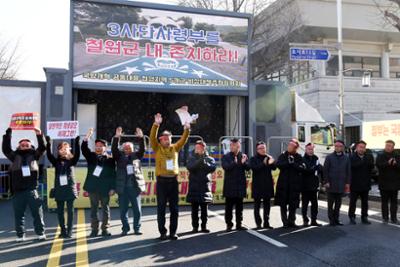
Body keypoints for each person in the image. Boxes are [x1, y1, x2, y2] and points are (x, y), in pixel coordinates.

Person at [150, 113, 190, 240]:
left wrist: (187, 129)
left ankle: (173, 232)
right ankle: (162, 232)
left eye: (169, 138)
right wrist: (156, 125)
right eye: (165, 138)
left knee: (174, 209)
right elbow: (152, 138)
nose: (168, 140)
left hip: (173, 181)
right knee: (161, 208)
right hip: (161, 182)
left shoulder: (175, 148)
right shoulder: (157, 148)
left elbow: (183, 139)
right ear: (161, 140)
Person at [2, 127, 46, 242]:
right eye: (22, 143)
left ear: (31, 146)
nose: (25, 144)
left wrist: (39, 134)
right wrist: (8, 134)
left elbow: (42, 147)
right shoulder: (14, 156)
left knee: (37, 213)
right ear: (18, 146)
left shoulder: (35, 155)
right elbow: (6, 149)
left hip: (32, 190)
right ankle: (20, 235)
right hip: (18, 191)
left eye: (27, 143)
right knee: (19, 215)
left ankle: (40, 233)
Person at [81, 128, 116, 237]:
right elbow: (84, 149)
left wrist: (112, 188)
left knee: (105, 209)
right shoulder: (91, 156)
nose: (98, 147)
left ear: (105, 147)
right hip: (93, 188)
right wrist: (87, 137)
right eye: (97, 146)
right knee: (93, 209)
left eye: (101, 146)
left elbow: (113, 175)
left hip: (105, 188)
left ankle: (105, 229)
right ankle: (94, 230)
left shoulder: (110, 160)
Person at [112, 127, 145, 236]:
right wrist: (117, 137)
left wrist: (141, 138)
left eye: (129, 147)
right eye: (125, 147)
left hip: (134, 187)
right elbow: (114, 150)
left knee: (137, 210)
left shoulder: (137, 156)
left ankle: (137, 228)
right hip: (122, 188)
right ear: (123, 148)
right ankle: (125, 229)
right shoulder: (119, 157)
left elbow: (142, 149)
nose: (127, 149)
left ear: (132, 148)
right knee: (123, 211)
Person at [46, 135, 80, 238]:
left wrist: (77, 143)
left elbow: (77, 155)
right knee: (60, 212)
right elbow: (49, 155)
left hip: (69, 188)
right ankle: (63, 231)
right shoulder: (56, 161)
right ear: (59, 151)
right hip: (59, 188)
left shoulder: (72, 161)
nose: (64, 150)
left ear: (69, 150)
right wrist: (49, 143)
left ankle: (69, 231)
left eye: (66, 148)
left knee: (70, 211)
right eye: (61, 148)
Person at [186, 140, 216, 233]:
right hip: (194, 186)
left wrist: (204, 161)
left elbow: (212, 168)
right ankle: (195, 227)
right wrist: (200, 160)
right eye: (196, 147)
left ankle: (204, 226)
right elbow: (191, 167)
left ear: (203, 148)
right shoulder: (191, 158)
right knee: (194, 209)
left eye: (199, 148)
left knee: (204, 209)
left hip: (205, 187)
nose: (196, 149)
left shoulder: (210, 158)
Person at [222, 138, 250, 232]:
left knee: (239, 207)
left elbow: (248, 168)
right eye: (231, 145)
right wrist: (235, 162)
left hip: (240, 185)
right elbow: (226, 167)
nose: (232, 147)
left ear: (238, 146)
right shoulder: (226, 156)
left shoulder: (243, 156)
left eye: (234, 145)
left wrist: (244, 162)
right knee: (229, 207)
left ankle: (239, 224)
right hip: (230, 185)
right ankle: (229, 225)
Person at [275, 139, 305, 228]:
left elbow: (302, 167)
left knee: (293, 204)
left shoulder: (299, 157)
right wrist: (288, 163)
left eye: (291, 146)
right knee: (283, 204)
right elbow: (278, 165)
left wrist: (293, 164)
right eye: (289, 145)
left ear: (295, 148)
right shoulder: (283, 155)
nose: (289, 147)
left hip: (294, 184)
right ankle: (285, 222)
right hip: (283, 184)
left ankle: (292, 221)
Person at [323, 140, 351, 226]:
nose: (338, 147)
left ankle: (336, 219)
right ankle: (331, 220)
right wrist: (326, 181)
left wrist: (347, 183)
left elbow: (348, 171)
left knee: (338, 205)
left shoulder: (346, 157)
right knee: (330, 204)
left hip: (341, 184)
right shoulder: (329, 157)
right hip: (331, 184)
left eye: (340, 146)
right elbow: (325, 170)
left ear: (343, 147)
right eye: (336, 146)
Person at [249, 141, 276, 230]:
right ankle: (258, 223)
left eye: (264, 148)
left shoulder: (268, 157)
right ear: (257, 149)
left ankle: (266, 222)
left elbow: (274, 168)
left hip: (267, 184)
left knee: (267, 204)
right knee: (257, 204)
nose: (263, 150)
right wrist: (264, 163)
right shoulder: (253, 158)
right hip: (257, 185)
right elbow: (255, 169)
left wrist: (272, 162)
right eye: (261, 148)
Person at [348, 140, 374, 225]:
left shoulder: (369, 156)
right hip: (354, 184)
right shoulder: (351, 157)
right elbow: (353, 166)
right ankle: (352, 217)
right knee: (353, 202)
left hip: (365, 183)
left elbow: (371, 167)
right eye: (360, 147)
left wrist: (366, 160)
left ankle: (364, 217)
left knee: (365, 202)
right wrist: (363, 161)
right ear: (356, 148)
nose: (362, 149)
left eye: (363, 147)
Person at [376, 140, 400, 224]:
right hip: (384, 183)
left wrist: (396, 164)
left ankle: (394, 218)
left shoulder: (397, 155)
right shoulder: (380, 155)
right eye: (386, 145)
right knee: (384, 202)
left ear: (393, 147)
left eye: (390, 146)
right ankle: (385, 217)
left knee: (394, 202)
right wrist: (387, 163)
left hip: (395, 183)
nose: (388, 147)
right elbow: (378, 166)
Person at [301, 143, 322, 227]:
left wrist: (317, 169)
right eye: (309, 149)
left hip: (314, 185)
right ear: (305, 150)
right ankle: (305, 220)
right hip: (305, 186)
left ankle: (314, 220)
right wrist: (313, 168)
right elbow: (306, 170)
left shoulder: (316, 158)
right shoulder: (302, 159)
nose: (311, 151)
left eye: (312, 149)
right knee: (305, 204)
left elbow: (318, 169)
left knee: (315, 205)